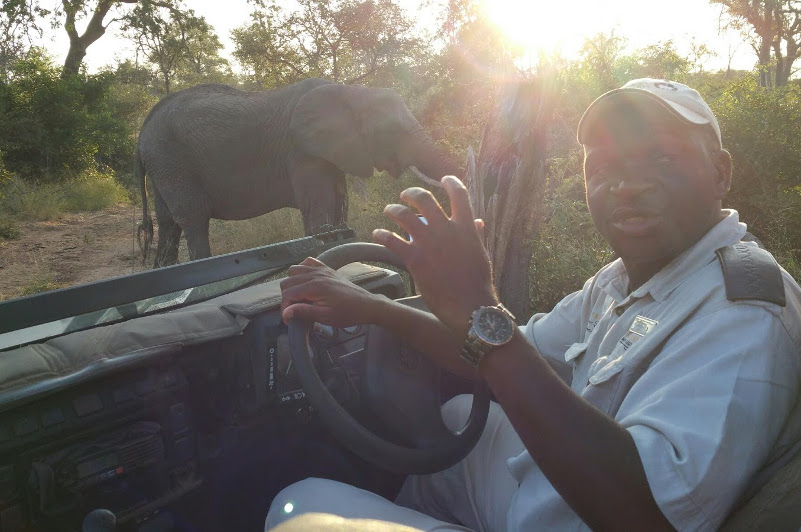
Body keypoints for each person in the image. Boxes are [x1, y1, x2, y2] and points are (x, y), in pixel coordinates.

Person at [266, 79, 801, 531]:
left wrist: (475, 299)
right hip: (559, 491)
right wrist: (374, 310)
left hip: (600, 509)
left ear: (721, 172)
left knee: (300, 502)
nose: (627, 187)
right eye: (604, 165)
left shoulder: (743, 311)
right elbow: (498, 352)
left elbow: (644, 514)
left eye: (661, 158)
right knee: (454, 416)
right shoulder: (627, 278)